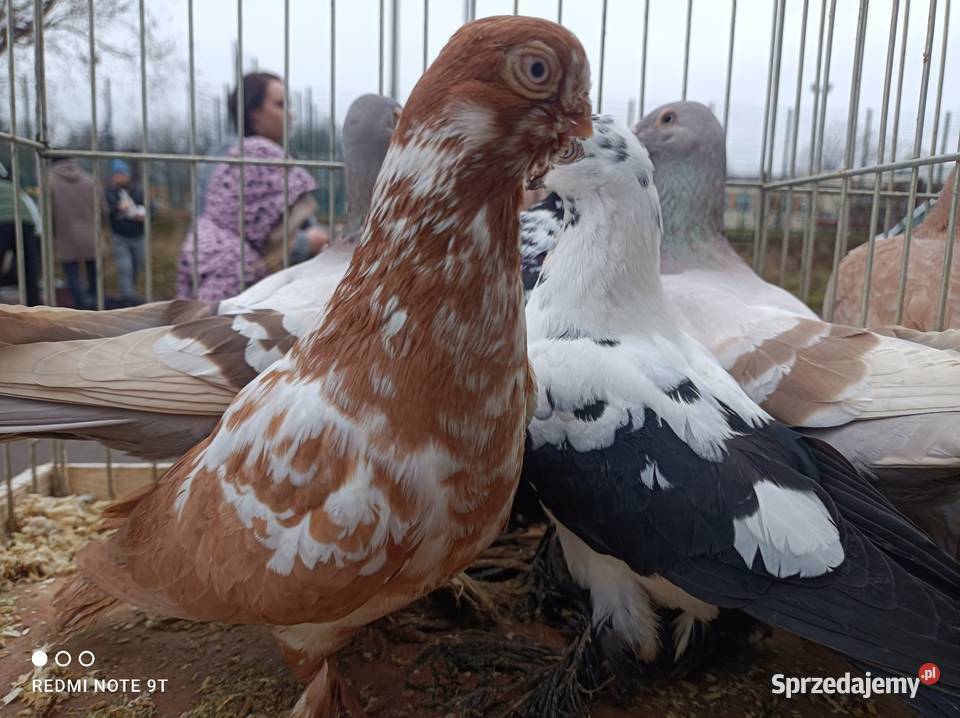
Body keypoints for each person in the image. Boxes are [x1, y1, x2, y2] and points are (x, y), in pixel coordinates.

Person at [177, 72, 329, 300]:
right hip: (235, 285)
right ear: (252, 112)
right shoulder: (243, 158)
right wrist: (307, 243)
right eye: (280, 105)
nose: (291, 115)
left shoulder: (241, 154)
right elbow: (251, 235)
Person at [49, 157, 105, 309]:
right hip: (90, 233)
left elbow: (47, 213)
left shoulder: (49, 181)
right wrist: (101, 229)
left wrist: (52, 235)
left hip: (65, 235)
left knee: (72, 275)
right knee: (94, 273)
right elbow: (103, 209)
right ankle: (96, 305)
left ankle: (81, 307)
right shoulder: (90, 179)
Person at [105, 159, 146, 304]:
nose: (119, 177)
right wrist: (117, 208)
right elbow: (105, 212)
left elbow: (150, 207)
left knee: (137, 266)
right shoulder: (109, 192)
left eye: (121, 174)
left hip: (138, 235)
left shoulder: (138, 190)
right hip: (120, 236)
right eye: (116, 174)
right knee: (125, 267)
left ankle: (131, 293)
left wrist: (144, 215)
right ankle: (127, 297)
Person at [0, 163, 41, 306]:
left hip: (3, 220)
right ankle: (34, 306)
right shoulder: (14, 187)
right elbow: (33, 210)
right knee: (28, 269)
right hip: (26, 221)